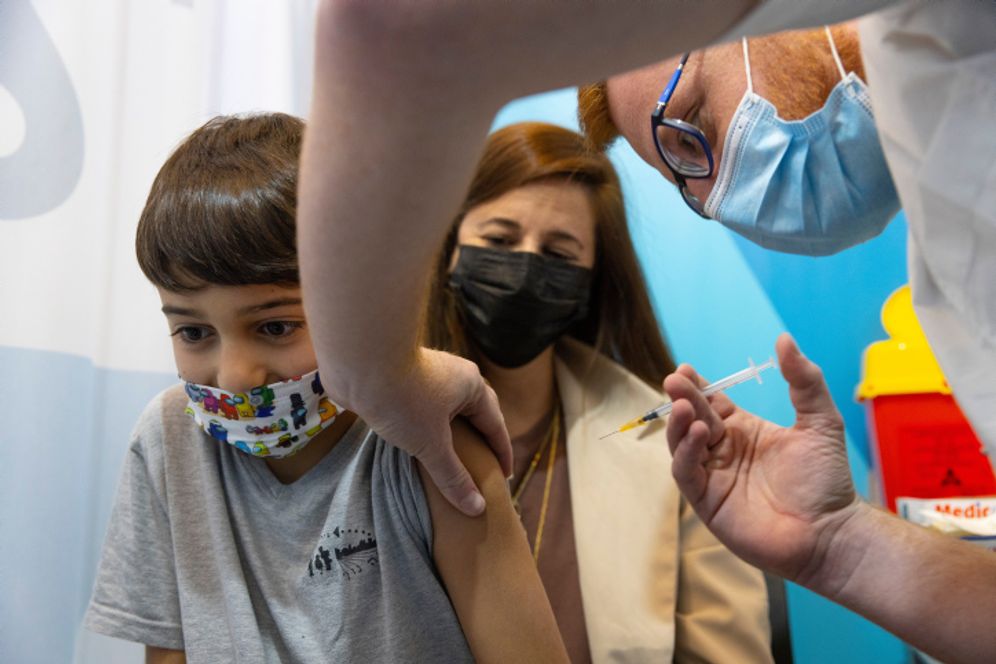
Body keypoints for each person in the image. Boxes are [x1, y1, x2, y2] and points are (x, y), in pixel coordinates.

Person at [297, 1, 996, 661]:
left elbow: (395, 21)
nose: (723, 190)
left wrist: (373, 374)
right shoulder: (951, 226)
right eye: (684, 181)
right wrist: (837, 541)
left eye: (690, 120)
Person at [83, 113, 568, 663]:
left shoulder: (429, 442)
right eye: (194, 332)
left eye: (275, 327)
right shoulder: (167, 439)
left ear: (360, 303)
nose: (237, 374)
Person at [426, 121, 773, 663]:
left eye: (559, 254)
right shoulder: (369, 425)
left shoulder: (670, 444)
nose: (523, 268)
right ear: (450, 248)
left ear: (590, 284)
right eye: (498, 241)